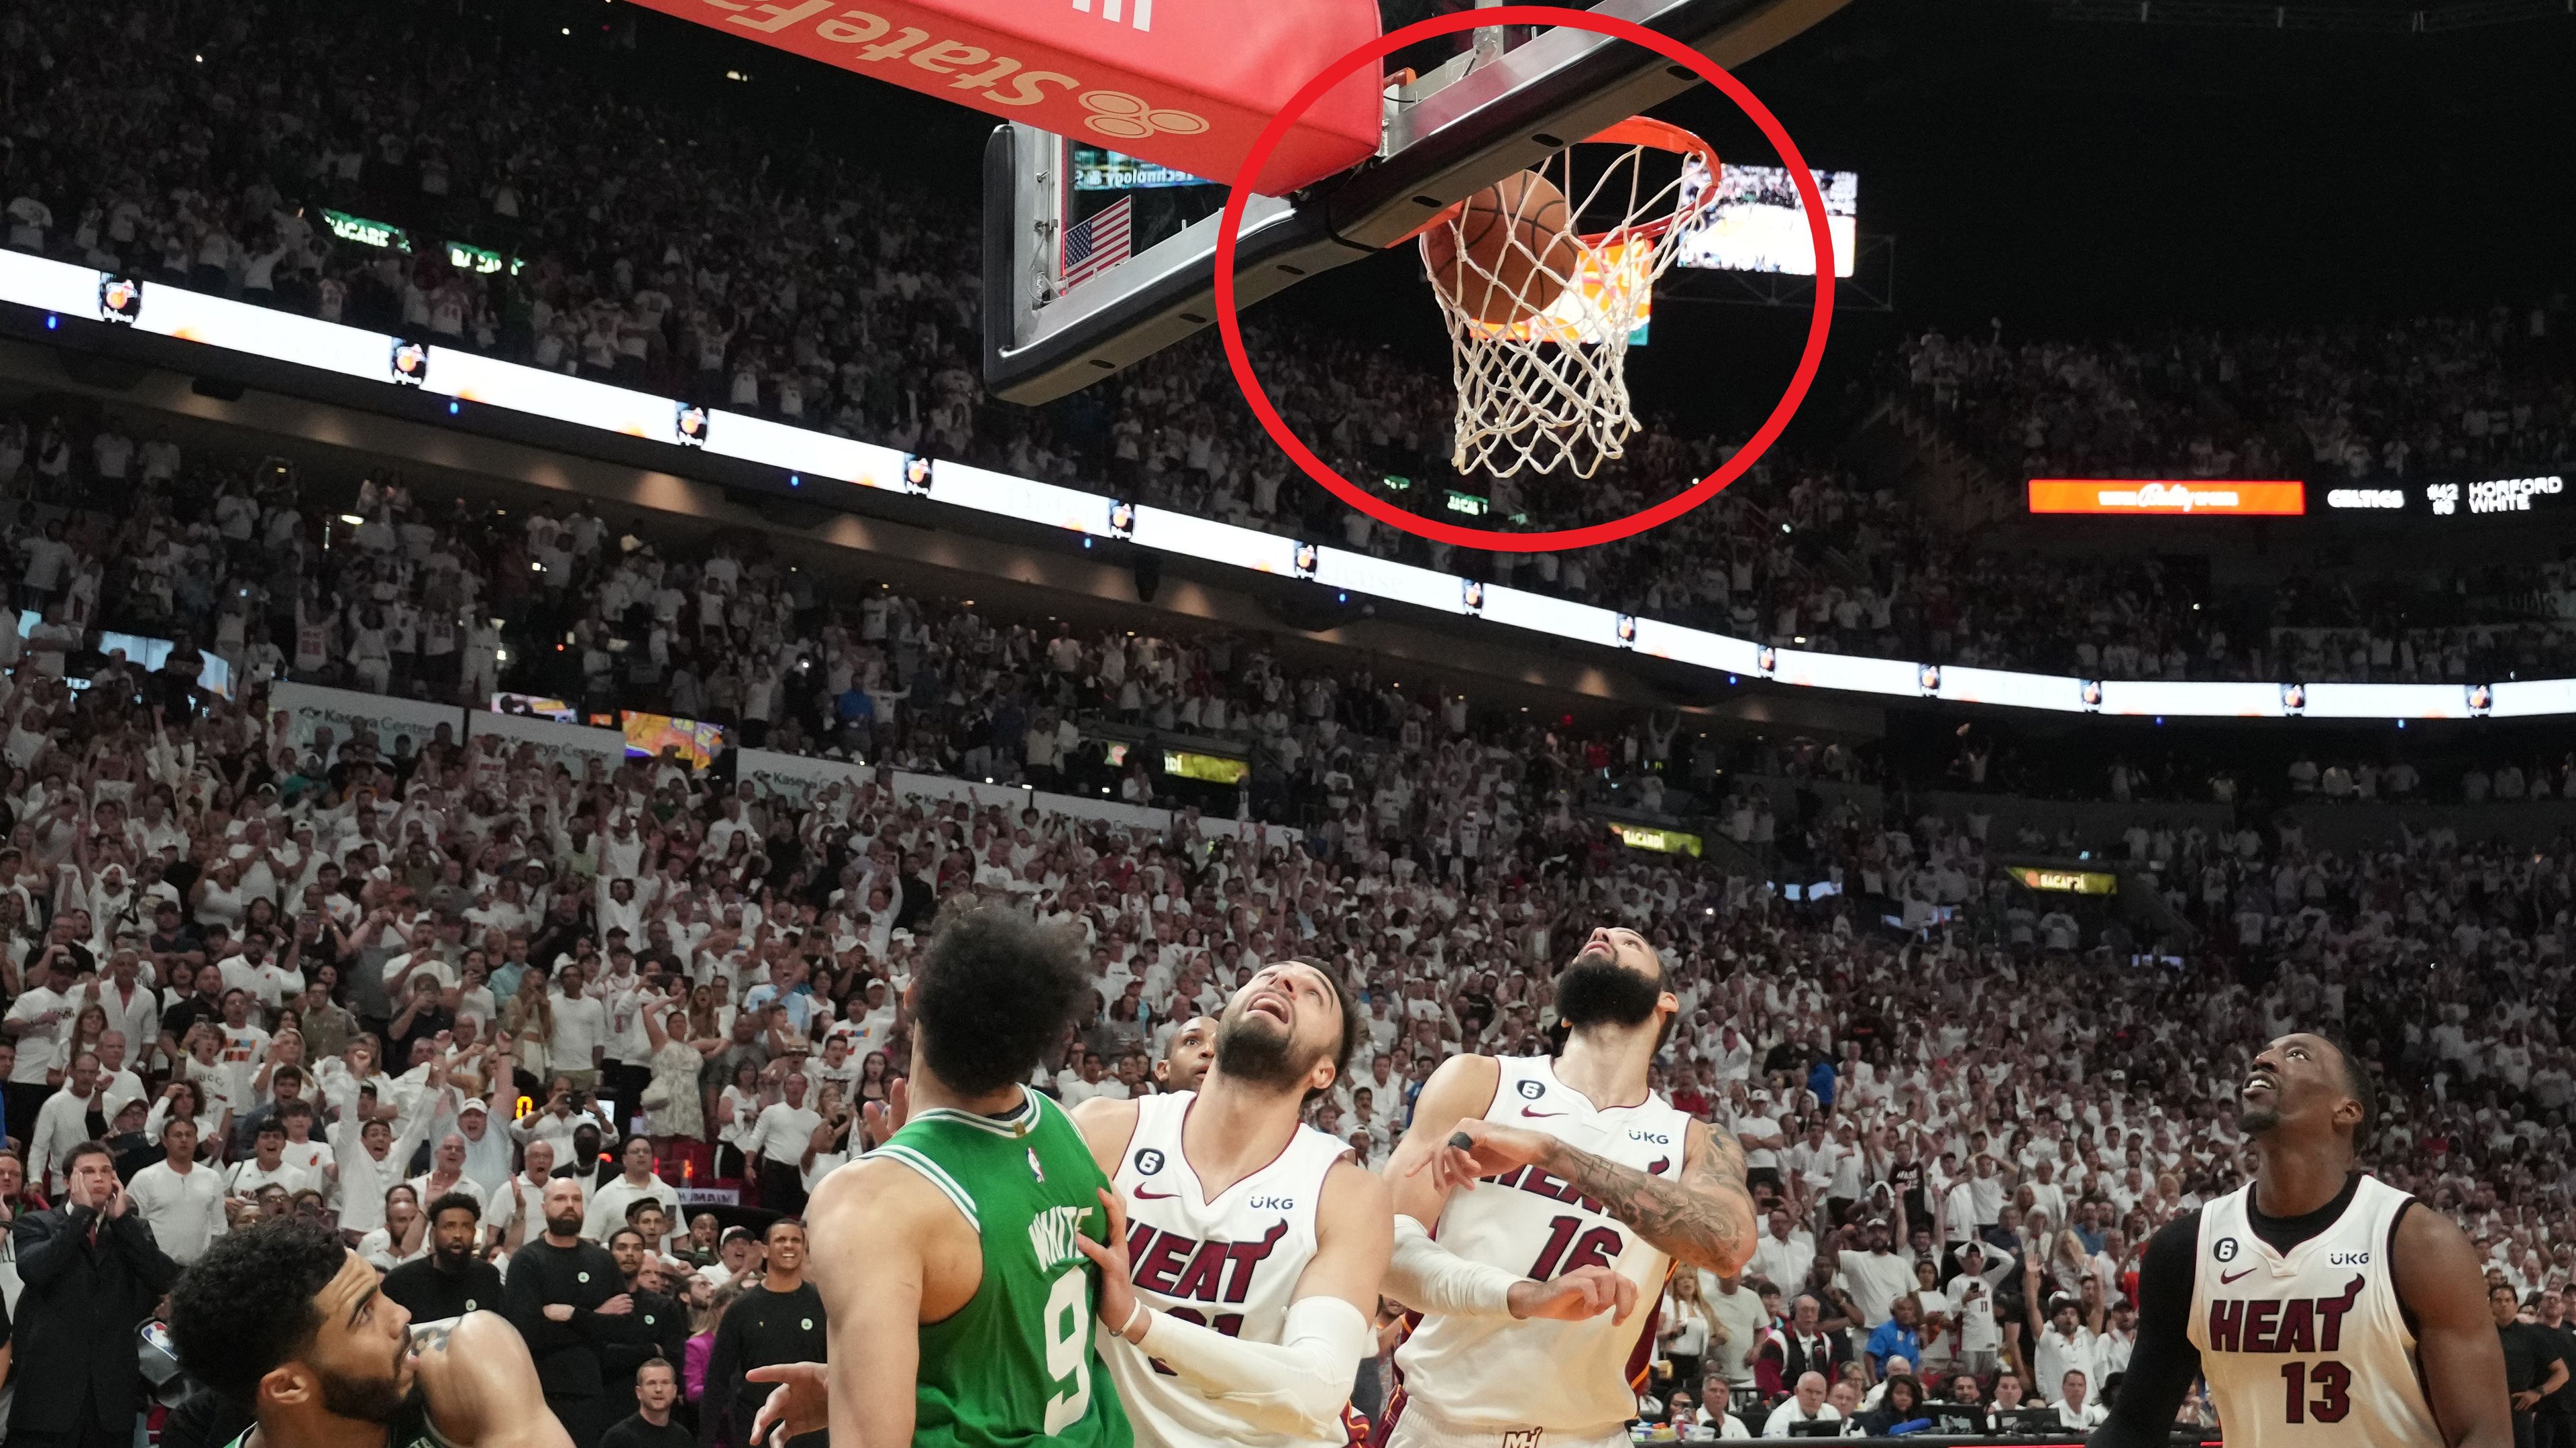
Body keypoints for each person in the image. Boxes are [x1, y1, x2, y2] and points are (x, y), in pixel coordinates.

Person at [728, 905, 1130, 1448]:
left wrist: (853, 1391)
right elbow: (1011, 1338)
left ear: (912, 996)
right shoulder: (1069, 1130)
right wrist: (854, 1382)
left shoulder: (873, 1204)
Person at [1382, 926, 1758, 1448]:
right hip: (1443, 1424)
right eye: (1597, 936)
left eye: (1630, 941)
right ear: (1563, 1011)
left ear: (1665, 1002)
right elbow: (1385, 1256)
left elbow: (1729, 1246)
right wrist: (1526, 1297)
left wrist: (1550, 1152)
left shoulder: (1695, 1140)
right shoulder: (1478, 1081)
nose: (1601, 932)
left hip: (1590, 1434)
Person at [2088, 1032, 2515, 1447]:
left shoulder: (2419, 1244)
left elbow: (2484, 1433)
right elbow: (2135, 1427)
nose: (2263, 1060)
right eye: (2263, 1053)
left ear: (2346, 1111)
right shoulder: (2185, 1248)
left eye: (2296, 1055)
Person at [1068, 960, 1387, 1448]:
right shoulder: (1105, 1130)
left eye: (1312, 993)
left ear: (1324, 1070)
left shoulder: (1345, 1193)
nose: (1283, 982)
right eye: (1270, 974)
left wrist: (1137, 1320)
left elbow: (1316, 1388)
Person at [166, 1217, 572, 1448]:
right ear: (288, 1387)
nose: (402, 1316)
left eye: (380, 1294)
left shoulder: (466, 1357)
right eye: (363, 1314)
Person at [12, 1139, 181, 1448]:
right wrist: (81, 1216)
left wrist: (123, 1222)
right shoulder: (37, 1223)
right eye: (88, 1171)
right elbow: (35, 1270)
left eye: (107, 1171)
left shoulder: (132, 1229)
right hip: (47, 1396)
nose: (100, 1178)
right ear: (67, 1181)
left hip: (111, 1398)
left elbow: (163, 1278)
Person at [504, 1175, 649, 1448]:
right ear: (544, 1208)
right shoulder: (527, 1260)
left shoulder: (602, 1260)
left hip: (590, 1390)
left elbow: (624, 1328)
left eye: (576, 1199)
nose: (570, 1205)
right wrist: (597, 1317)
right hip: (537, 1391)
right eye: (560, 1199)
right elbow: (526, 1332)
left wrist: (574, 1314)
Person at [700, 1219, 828, 1448]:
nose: (789, 1245)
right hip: (755, 1426)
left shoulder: (823, 1304)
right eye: (781, 1239)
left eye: (796, 1240)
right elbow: (717, 1377)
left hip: (812, 1428)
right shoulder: (742, 1308)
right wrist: (706, 1439)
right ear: (765, 1250)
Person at [386, 1192, 508, 1321]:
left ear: (474, 1233)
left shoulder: (487, 1276)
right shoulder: (402, 1281)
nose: (458, 1234)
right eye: (449, 1226)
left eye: (466, 1227)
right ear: (433, 1233)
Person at [127, 1112, 229, 1264]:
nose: (184, 1140)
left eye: (189, 1135)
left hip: (198, 1268)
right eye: (177, 1135)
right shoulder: (145, 1177)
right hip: (156, 1267)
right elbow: (133, 1227)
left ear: (196, 1140)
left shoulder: (212, 1177)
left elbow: (218, 1228)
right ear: (165, 1141)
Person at [2497, 1286, 2569, 1448]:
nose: (2503, 1304)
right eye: (2498, 1300)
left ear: (2516, 1306)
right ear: (2490, 1305)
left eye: (2508, 1300)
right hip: (2487, 1408)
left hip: (2519, 1408)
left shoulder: (2531, 1335)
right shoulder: (2483, 1336)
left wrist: (2538, 1393)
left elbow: (2562, 1373)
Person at [586, 1135, 682, 1243]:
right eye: (635, 1152)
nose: (641, 1155)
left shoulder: (668, 1193)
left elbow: (679, 1236)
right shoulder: (605, 1195)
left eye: (646, 1151)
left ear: (653, 1158)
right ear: (624, 1159)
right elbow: (589, 1238)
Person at [603, 1357, 694, 1448]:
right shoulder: (618, 1439)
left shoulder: (684, 1438)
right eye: (651, 1383)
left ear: (675, 1391)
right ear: (639, 1392)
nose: (658, 1389)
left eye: (665, 1383)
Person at [1150, 1015, 1218, 1094]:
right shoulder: (1142, 1105)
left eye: (1220, 1044)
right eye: (1191, 1042)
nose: (1210, 1051)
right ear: (1164, 1069)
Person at [1760, 1372, 1840, 1435]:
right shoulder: (1781, 1417)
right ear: (1797, 1391)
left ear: (1825, 1396)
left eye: (1819, 1393)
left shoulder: (1832, 1413)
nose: (1813, 1397)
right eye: (1809, 1391)